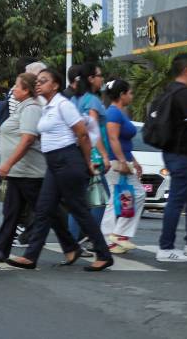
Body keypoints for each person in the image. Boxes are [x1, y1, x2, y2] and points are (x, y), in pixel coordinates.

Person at [6, 68, 113, 272]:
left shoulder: (63, 105)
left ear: (55, 85)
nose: (38, 84)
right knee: (44, 209)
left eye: (43, 81)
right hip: (54, 164)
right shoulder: (47, 106)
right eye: (37, 81)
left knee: (79, 210)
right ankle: (31, 257)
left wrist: (88, 161)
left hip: (68, 161)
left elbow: (82, 134)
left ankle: (104, 255)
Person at [0, 73, 47, 260]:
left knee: (47, 212)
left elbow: (27, 139)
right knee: (10, 212)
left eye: (17, 86)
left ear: (26, 90)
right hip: (18, 172)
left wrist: (8, 163)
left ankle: (70, 243)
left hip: (29, 172)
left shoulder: (31, 108)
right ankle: (2, 250)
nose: (13, 90)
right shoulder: (22, 107)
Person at [156, 52, 187, 262]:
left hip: (172, 153)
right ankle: (166, 247)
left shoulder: (169, 90)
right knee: (177, 200)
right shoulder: (185, 94)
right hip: (182, 155)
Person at [99, 79, 146, 254]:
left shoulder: (119, 113)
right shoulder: (113, 113)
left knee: (115, 198)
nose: (132, 96)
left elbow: (124, 141)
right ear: (122, 95)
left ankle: (109, 238)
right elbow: (113, 139)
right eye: (130, 93)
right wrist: (123, 162)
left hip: (121, 160)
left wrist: (133, 160)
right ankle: (119, 234)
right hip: (117, 163)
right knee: (137, 194)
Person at [68, 62, 111, 245]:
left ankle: (73, 241)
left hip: (76, 152)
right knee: (100, 198)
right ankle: (92, 236)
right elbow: (92, 131)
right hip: (92, 154)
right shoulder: (92, 100)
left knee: (79, 199)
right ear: (91, 78)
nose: (102, 79)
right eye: (99, 75)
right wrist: (104, 156)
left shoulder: (74, 100)